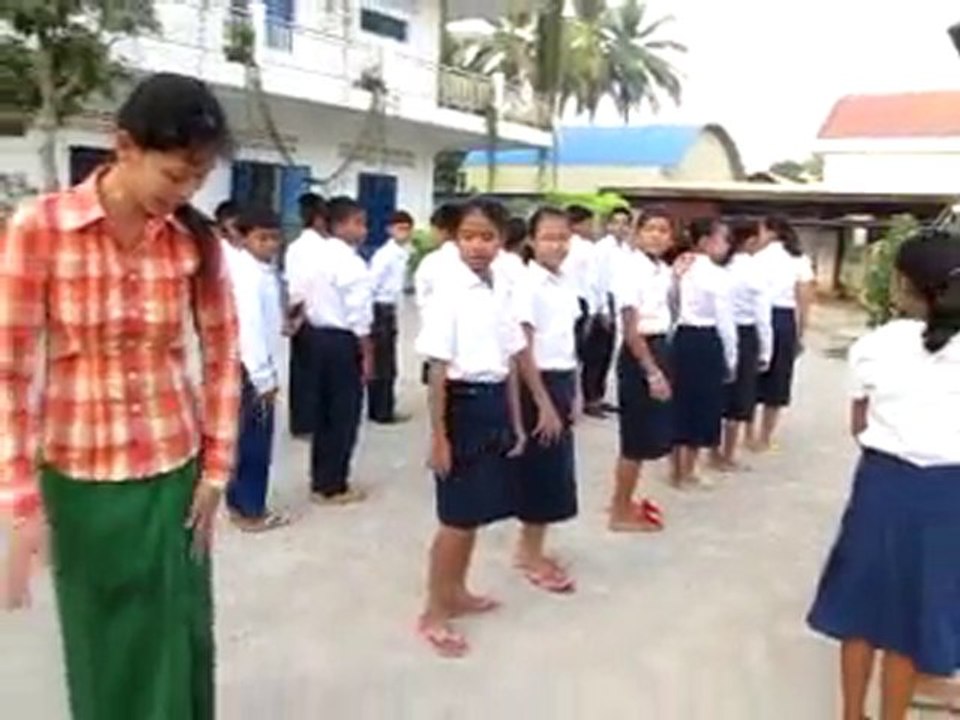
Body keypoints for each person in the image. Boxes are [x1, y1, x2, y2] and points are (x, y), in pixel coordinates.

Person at [0, 72, 240, 720]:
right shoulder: (39, 228)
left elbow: (222, 356)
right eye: (174, 175)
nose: (185, 193)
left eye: (198, 179)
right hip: (83, 483)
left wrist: (217, 471)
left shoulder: (195, 240)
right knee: (108, 647)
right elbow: (9, 372)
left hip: (176, 474)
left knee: (180, 638)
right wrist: (22, 503)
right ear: (124, 146)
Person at [807, 230, 960, 720]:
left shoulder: (875, 345)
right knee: (913, 617)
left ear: (900, 284)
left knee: (862, 606)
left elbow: (859, 422)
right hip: (946, 493)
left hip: (881, 484)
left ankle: (852, 715)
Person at [415, 197, 561, 658]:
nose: (476, 245)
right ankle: (434, 612)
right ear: (454, 238)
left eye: (487, 237)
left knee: (474, 513)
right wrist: (438, 436)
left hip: (495, 400)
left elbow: (515, 355)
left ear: (502, 241)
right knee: (455, 519)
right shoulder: (449, 290)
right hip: (461, 405)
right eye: (467, 236)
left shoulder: (501, 284)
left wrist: (526, 415)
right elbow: (437, 371)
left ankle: (457, 592)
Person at [287, 196, 373, 505]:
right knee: (343, 414)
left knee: (323, 413)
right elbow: (359, 315)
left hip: (314, 336)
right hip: (341, 341)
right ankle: (333, 484)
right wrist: (367, 353)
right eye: (357, 223)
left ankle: (320, 478)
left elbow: (297, 293)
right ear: (338, 225)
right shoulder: (351, 263)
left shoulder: (312, 255)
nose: (363, 230)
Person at [513, 206, 581, 593]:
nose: (557, 245)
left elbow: (566, 340)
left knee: (555, 470)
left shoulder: (563, 281)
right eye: (549, 237)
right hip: (536, 382)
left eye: (563, 237)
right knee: (541, 471)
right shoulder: (528, 285)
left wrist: (572, 392)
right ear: (531, 241)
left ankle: (531, 547)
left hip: (561, 378)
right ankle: (529, 554)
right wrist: (542, 402)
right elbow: (523, 347)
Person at [608, 208, 676, 532]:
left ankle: (624, 500)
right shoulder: (628, 270)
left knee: (646, 433)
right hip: (640, 352)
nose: (657, 236)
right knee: (633, 439)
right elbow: (630, 328)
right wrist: (651, 370)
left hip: (660, 345)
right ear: (637, 234)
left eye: (663, 230)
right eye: (650, 229)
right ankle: (619, 511)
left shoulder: (660, 269)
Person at [226, 206, 290, 532]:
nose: (269, 244)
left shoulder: (264, 270)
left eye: (275, 238)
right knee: (255, 441)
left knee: (245, 437)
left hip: (261, 362)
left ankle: (239, 501)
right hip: (253, 369)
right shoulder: (248, 275)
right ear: (243, 237)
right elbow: (249, 328)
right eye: (262, 238)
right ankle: (251, 509)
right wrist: (264, 378)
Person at [670, 219, 737, 489]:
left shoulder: (679, 268)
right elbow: (725, 321)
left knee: (681, 403)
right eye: (723, 239)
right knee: (701, 406)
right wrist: (731, 357)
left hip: (681, 337)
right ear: (705, 241)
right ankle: (689, 471)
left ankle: (676, 469)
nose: (726, 246)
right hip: (706, 339)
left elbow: (671, 304)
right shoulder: (717, 275)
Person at [709, 221, 773, 472]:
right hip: (745, 333)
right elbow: (763, 316)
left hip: (716, 331)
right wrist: (767, 351)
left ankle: (712, 452)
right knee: (739, 399)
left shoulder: (720, 267)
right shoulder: (754, 271)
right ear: (750, 242)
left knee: (717, 394)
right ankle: (727, 455)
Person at [749, 215, 815, 452]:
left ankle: (746, 434)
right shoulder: (799, 259)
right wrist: (801, 331)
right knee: (778, 379)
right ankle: (764, 437)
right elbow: (804, 297)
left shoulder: (756, 259)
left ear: (772, 232)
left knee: (752, 375)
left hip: (758, 317)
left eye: (761, 231)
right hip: (784, 318)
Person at [286, 191, 328, 438]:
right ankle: (311, 422)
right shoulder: (323, 248)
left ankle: (301, 422)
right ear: (320, 219)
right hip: (317, 315)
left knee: (300, 370)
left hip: (300, 311)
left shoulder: (295, 247)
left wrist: (293, 316)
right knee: (316, 374)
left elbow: (294, 285)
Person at [366, 209, 414, 424]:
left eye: (406, 229)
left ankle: (383, 407)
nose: (403, 233)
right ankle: (381, 411)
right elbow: (371, 284)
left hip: (390, 310)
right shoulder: (385, 255)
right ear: (389, 230)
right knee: (383, 365)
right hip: (380, 310)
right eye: (399, 228)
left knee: (387, 363)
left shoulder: (403, 252)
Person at [586, 206, 632, 416]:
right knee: (598, 353)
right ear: (609, 225)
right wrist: (602, 310)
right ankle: (591, 398)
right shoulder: (601, 249)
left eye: (625, 223)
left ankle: (602, 396)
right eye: (617, 222)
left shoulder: (626, 250)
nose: (620, 227)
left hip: (621, 302)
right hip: (604, 303)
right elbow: (595, 281)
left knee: (610, 354)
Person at [562, 205, 604, 417]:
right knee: (584, 354)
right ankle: (584, 398)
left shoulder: (563, 245)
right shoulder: (586, 248)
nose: (592, 228)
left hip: (566, 299)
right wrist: (597, 310)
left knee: (568, 351)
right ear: (579, 224)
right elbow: (593, 282)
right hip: (582, 301)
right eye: (589, 223)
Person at [414, 203, 462, 384]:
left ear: (442, 230)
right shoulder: (480, 260)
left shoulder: (431, 262)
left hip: (438, 342)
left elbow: (422, 302)